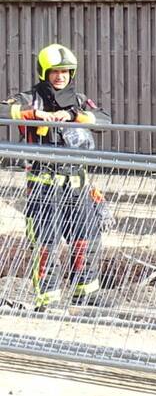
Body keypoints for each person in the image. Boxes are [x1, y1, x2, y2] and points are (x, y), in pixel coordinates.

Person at [0, 44, 111, 309]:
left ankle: (86, 295)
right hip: (43, 190)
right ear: (44, 73)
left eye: (65, 71)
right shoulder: (29, 98)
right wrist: (34, 115)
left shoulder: (80, 100)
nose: (60, 76)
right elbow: (3, 111)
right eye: (55, 72)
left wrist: (74, 115)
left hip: (79, 189)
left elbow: (104, 120)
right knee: (45, 245)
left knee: (87, 240)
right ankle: (47, 301)